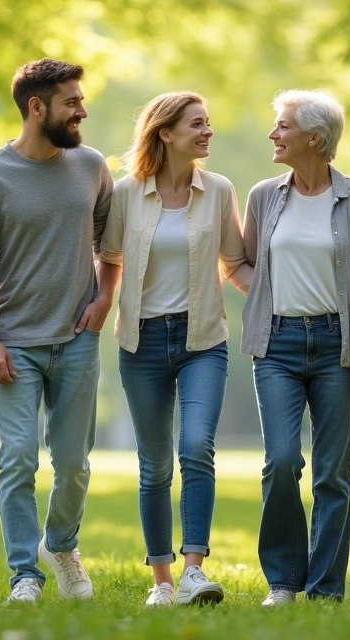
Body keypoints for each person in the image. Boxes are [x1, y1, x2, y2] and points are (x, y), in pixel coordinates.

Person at [0, 58, 117, 604]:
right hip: (14, 345)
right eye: (72, 101)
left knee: (72, 463)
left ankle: (62, 545)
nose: (82, 110)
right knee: (19, 456)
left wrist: (104, 300)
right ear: (36, 107)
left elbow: (108, 245)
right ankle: (25, 572)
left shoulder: (92, 166)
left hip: (77, 340)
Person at [99, 92, 251, 607]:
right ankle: (161, 582)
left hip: (202, 340)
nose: (207, 132)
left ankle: (193, 571)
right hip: (140, 343)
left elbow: (235, 262)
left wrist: (284, 294)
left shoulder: (220, 190)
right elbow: (110, 259)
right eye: (196, 125)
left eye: (208, 123)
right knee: (155, 464)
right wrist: (100, 303)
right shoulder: (126, 193)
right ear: (164, 133)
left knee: (196, 450)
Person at [240, 89, 350, 605]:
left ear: (314, 139)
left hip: (335, 345)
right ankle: (282, 581)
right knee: (280, 461)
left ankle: (325, 589)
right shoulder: (263, 196)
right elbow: (241, 264)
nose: (273, 134)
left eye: (282, 126)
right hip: (275, 342)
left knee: (331, 475)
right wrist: (265, 298)